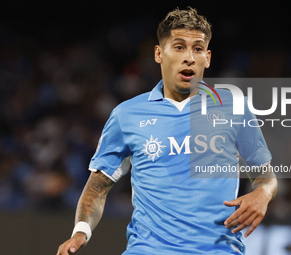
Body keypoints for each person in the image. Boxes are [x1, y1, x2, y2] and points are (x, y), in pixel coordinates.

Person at [57, 7, 278, 255]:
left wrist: (262, 193)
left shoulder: (233, 107)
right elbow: (97, 187)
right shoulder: (127, 115)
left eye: (197, 48)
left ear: (208, 57)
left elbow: (265, 175)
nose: (189, 58)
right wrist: (81, 232)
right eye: (179, 46)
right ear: (159, 53)